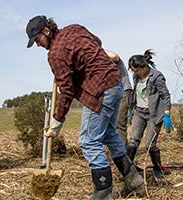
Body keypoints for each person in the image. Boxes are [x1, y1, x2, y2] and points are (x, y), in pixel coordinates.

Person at [26, 15, 144, 199]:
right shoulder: (74, 28)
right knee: (109, 134)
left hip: (99, 90)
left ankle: (103, 193)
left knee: (89, 142)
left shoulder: (55, 54)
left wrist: (57, 120)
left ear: (47, 31)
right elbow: (97, 42)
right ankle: (135, 182)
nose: (38, 45)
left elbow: (66, 91)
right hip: (116, 82)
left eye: (38, 39)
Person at [126, 50, 172, 183]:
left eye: (136, 70)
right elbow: (135, 93)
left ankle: (158, 171)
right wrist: (131, 110)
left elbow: (165, 95)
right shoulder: (136, 77)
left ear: (143, 67)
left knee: (150, 145)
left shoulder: (157, 77)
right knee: (133, 142)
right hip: (139, 113)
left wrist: (167, 113)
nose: (134, 73)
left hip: (153, 114)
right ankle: (128, 171)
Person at [105, 50, 133, 145]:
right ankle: (115, 149)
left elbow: (115, 56)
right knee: (109, 123)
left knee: (119, 124)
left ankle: (122, 153)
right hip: (111, 92)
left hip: (124, 91)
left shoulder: (115, 60)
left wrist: (96, 49)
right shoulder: (100, 64)